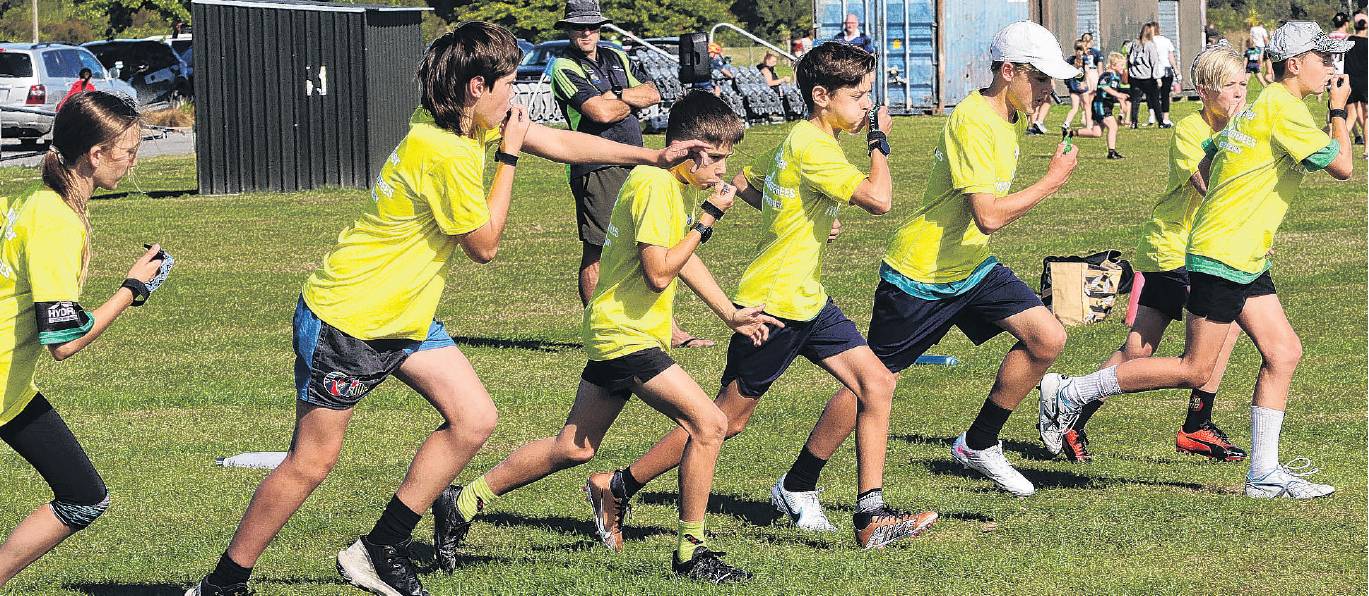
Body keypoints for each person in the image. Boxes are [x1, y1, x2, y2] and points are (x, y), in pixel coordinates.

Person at [186, 22, 712, 596]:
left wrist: (652, 155)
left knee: (474, 418)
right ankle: (224, 582)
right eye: (510, 85)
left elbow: (559, 143)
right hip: (349, 320)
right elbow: (485, 246)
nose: (516, 98)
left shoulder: (457, 126)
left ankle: (378, 548)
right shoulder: (446, 152)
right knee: (311, 464)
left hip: (406, 318)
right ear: (476, 88)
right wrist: (507, 159)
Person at [577, 41, 937, 551]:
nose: (864, 105)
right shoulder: (812, 146)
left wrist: (794, 215)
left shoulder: (800, 140)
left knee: (876, 382)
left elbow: (749, 181)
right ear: (821, 96)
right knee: (725, 421)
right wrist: (880, 141)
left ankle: (870, 516)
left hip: (809, 298)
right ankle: (618, 484)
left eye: (866, 96)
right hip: (774, 304)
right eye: (857, 96)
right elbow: (879, 200)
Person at [430, 91, 777, 584]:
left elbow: (681, 257)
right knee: (710, 424)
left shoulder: (670, 185)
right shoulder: (658, 185)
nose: (723, 169)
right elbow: (660, 273)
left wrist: (730, 314)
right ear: (688, 147)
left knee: (573, 447)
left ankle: (463, 499)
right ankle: (691, 551)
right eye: (717, 156)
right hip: (625, 336)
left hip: (620, 331)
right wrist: (708, 220)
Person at [1038, 21, 1355, 500]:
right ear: (1295, 65)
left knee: (1284, 351)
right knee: (1195, 369)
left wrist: (1236, 202)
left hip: (1242, 254)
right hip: (1222, 255)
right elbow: (1344, 168)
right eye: (1325, 58)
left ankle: (1264, 474)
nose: (1332, 68)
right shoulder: (1283, 110)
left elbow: (1213, 156)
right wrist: (1337, 111)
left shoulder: (1259, 106)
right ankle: (1073, 391)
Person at [775, 20, 1080, 500]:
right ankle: (797, 484)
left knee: (1047, 338)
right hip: (920, 276)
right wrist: (1053, 181)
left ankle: (978, 445)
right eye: (1040, 78)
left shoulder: (1011, 117)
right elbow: (988, 217)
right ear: (1008, 72)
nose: (1047, 89)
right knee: (870, 384)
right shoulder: (973, 122)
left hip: (970, 268)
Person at [0, 91, 170, 588]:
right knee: (82, 495)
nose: (133, 163)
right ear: (95, 155)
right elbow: (65, 342)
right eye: (129, 152)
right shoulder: (57, 221)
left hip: (11, 390)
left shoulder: (33, 199)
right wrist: (133, 289)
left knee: (82, 493)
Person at [1059, 43, 1250, 463]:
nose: (1239, 94)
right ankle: (1196, 427)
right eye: (1229, 86)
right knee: (1229, 323)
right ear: (1203, 90)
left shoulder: (1237, 130)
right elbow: (1213, 189)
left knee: (1136, 353)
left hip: (1191, 249)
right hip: (1178, 249)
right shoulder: (1190, 130)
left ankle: (1070, 413)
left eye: (1243, 83)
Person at [549, 0, 712, 349]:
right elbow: (599, 113)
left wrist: (617, 96)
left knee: (657, 242)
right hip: (595, 166)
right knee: (598, 250)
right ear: (569, 29)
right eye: (579, 27)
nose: (587, 32)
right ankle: (600, 328)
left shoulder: (615, 55)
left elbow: (652, 92)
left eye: (592, 26)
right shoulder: (562, 65)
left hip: (639, 161)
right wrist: (626, 101)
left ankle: (668, 329)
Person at [1074, 51, 1127, 159]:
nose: (1123, 67)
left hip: (1106, 106)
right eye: (1121, 65)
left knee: (1096, 133)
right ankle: (1111, 152)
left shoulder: (1116, 77)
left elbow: (1114, 92)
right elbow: (1104, 86)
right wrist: (1118, 94)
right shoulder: (1107, 75)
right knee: (1113, 126)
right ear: (1113, 65)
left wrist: (1122, 102)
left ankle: (1070, 133)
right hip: (1100, 105)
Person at [1127, 23, 1163, 128]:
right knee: (1155, 100)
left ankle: (1134, 122)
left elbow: (1130, 59)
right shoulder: (1150, 45)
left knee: (1135, 101)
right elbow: (1154, 62)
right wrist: (1157, 78)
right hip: (1147, 77)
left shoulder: (1134, 44)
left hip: (1135, 77)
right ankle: (1160, 122)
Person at [1343, 13, 1366, 150]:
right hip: (1364, 83)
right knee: (1363, 115)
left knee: (1352, 114)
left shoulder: (1348, 40)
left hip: (1350, 81)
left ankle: (1339, 143)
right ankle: (1367, 148)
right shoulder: (1367, 43)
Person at [1152, 21, 1178, 127]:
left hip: (1154, 71)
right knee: (1165, 95)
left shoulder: (1149, 42)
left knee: (1153, 96)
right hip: (1167, 70)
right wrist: (1176, 70)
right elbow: (1171, 57)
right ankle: (1166, 118)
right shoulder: (1166, 41)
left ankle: (1154, 116)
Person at [1062, 41, 1091, 132]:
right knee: (1075, 107)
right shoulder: (1071, 59)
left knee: (1086, 105)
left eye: (1081, 50)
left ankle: (1089, 125)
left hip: (1082, 87)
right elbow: (1066, 69)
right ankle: (1066, 123)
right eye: (1077, 50)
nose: (1079, 52)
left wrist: (1085, 82)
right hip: (1074, 87)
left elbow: (1086, 71)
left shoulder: (1085, 59)